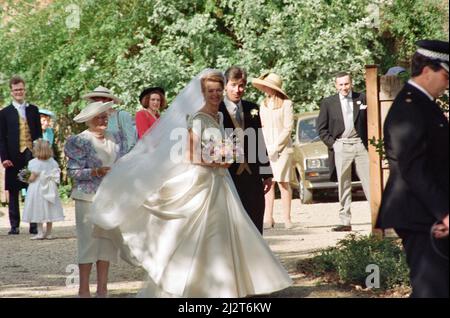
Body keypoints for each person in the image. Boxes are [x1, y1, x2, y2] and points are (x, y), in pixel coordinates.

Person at [90, 69, 292, 298]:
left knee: (230, 230)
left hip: (223, 181)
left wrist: (227, 157)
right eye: (211, 91)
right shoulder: (196, 118)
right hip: (205, 179)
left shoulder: (220, 117)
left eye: (217, 90)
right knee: (205, 231)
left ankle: (229, 285)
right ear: (203, 93)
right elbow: (191, 155)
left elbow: (246, 141)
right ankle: (195, 285)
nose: (215, 95)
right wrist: (217, 160)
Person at [376, 40, 449, 298]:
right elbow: (414, 168)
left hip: (429, 212)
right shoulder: (409, 107)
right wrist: (444, 213)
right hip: (419, 213)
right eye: (446, 75)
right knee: (432, 290)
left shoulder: (424, 104)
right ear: (427, 70)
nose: (448, 82)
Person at [64, 101, 127, 298]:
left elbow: (124, 162)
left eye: (105, 116)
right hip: (87, 197)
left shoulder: (115, 139)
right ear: (89, 120)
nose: (103, 120)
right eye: (99, 117)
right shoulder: (79, 141)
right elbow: (72, 172)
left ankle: (103, 289)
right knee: (88, 243)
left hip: (109, 197)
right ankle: (83, 290)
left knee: (106, 244)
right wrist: (96, 171)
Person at [218, 66, 273, 234]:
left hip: (253, 174)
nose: (237, 90)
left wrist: (267, 173)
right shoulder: (217, 109)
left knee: (255, 215)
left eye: (241, 85)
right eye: (233, 85)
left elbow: (260, 140)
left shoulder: (252, 108)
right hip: (229, 174)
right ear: (226, 85)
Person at [317, 72, 370, 232]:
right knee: (343, 184)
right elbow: (321, 128)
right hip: (341, 145)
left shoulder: (362, 98)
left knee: (370, 183)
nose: (344, 87)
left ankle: (378, 218)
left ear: (351, 83)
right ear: (336, 85)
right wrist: (334, 145)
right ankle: (345, 221)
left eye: (346, 84)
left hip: (361, 144)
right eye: (340, 84)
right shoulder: (328, 103)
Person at [0, 75, 42, 235]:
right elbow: (1, 138)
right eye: (16, 90)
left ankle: (33, 224)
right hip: (13, 155)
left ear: (25, 90)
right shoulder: (4, 113)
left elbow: (38, 133)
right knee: (13, 190)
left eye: (21, 89)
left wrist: (40, 154)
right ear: (11, 92)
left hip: (31, 154)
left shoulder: (33, 110)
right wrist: (4, 158)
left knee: (33, 189)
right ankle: (14, 225)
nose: (19, 92)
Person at [252, 72, 295, 229]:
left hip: (282, 149)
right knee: (268, 183)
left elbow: (288, 128)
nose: (265, 89)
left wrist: (276, 147)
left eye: (268, 86)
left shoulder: (286, 104)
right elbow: (261, 126)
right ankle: (268, 217)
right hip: (267, 148)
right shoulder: (262, 104)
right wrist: (264, 147)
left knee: (283, 183)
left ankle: (287, 218)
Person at [23, 139, 64, 240]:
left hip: (37, 188)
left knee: (38, 208)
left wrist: (26, 179)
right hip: (50, 186)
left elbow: (32, 177)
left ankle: (40, 232)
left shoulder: (33, 162)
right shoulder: (53, 162)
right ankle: (49, 233)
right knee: (49, 208)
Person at [82, 86, 136, 152]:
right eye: (96, 99)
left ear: (110, 100)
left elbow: (132, 142)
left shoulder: (122, 115)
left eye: (103, 98)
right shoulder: (91, 118)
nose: (100, 101)